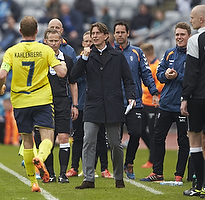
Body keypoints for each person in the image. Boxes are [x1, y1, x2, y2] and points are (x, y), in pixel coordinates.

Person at [0, 15, 67, 192]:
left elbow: (1, 75)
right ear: (37, 32)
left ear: (20, 31)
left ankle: (33, 183)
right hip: (42, 100)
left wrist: (0, 88)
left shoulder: (11, 51)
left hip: (20, 102)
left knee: (27, 141)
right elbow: (61, 73)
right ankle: (41, 157)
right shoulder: (46, 50)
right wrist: (63, 65)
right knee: (48, 139)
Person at [72, 22, 136, 189]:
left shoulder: (117, 56)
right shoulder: (86, 56)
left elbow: (128, 80)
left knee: (115, 143)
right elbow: (73, 76)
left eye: (97, 33)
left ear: (106, 36)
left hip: (113, 104)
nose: (94, 36)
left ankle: (119, 177)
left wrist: (131, 97)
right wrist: (83, 58)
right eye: (92, 33)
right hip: (92, 104)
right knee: (88, 141)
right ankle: (88, 178)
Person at [140, 22, 191, 183]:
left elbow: (194, 79)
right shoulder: (169, 53)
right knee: (157, 137)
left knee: (183, 140)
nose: (179, 37)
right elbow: (159, 74)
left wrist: (178, 76)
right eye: (177, 34)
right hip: (166, 103)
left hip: (183, 105)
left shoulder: (193, 55)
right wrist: (166, 76)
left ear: (189, 36)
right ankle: (157, 172)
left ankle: (179, 175)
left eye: (182, 34)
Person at [181, 5, 205, 198]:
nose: (191, 21)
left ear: (201, 20)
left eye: (192, 18)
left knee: (195, 141)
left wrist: (185, 97)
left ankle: (197, 187)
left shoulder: (195, 39)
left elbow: (192, 72)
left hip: (197, 98)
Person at [113, 21, 159, 179]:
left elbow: (146, 73)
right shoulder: (109, 52)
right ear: (113, 34)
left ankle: (129, 163)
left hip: (135, 102)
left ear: (127, 34)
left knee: (136, 132)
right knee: (115, 138)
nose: (120, 35)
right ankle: (117, 167)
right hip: (115, 102)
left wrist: (153, 91)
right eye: (117, 32)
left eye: (122, 32)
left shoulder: (137, 52)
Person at [66, 31, 113, 179]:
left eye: (90, 42)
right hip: (81, 103)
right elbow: (73, 79)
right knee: (78, 137)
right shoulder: (79, 60)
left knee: (100, 137)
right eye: (86, 41)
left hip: (97, 104)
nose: (88, 44)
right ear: (82, 43)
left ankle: (104, 168)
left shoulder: (100, 60)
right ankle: (74, 167)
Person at [34, 28, 78, 183]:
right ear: (45, 41)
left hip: (62, 102)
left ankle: (63, 174)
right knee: (48, 140)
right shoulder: (40, 60)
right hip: (44, 103)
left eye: (56, 40)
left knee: (64, 136)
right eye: (50, 40)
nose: (53, 43)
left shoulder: (67, 59)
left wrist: (75, 105)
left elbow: (72, 83)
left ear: (61, 41)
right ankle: (50, 173)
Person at [139, 43, 164, 168]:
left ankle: (152, 159)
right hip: (144, 103)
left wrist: (146, 90)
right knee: (140, 130)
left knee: (153, 132)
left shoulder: (157, 66)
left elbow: (160, 86)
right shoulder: (148, 66)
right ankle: (153, 153)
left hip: (154, 104)